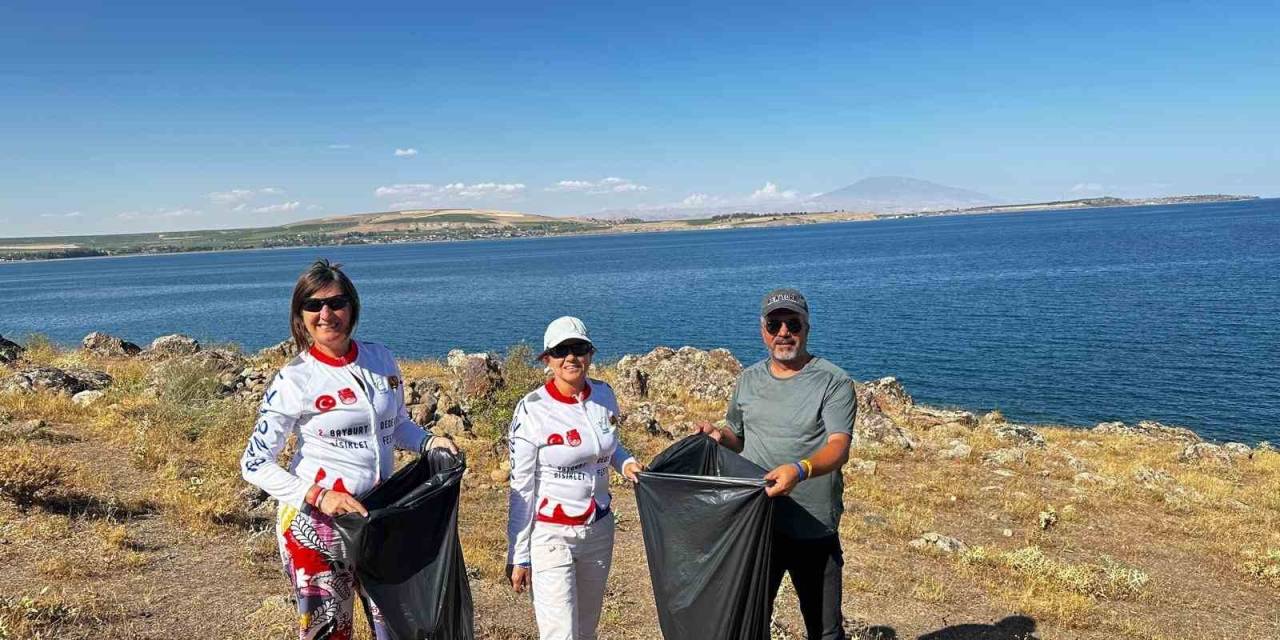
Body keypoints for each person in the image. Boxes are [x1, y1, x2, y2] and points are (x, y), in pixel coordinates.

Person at [240, 258, 458, 640]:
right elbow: (254, 462)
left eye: (337, 303)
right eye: (313, 305)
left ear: (352, 307)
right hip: (317, 527)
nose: (326, 314)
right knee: (331, 634)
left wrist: (428, 441)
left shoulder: (380, 359)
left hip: (380, 519)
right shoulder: (294, 378)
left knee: (398, 626)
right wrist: (318, 496)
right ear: (300, 315)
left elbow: (396, 425)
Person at [696, 288, 856, 640]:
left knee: (825, 630)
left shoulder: (833, 381)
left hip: (813, 525)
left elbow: (839, 447)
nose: (784, 332)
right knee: (749, 620)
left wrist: (799, 470)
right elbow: (737, 436)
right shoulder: (748, 379)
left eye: (792, 323)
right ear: (762, 329)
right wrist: (720, 437)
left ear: (807, 327)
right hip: (756, 522)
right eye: (775, 323)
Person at [505, 316, 645, 640]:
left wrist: (627, 463)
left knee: (585, 629)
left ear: (590, 354)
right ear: (547, 359)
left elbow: (609, 446)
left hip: (599, 529)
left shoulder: (605, 396)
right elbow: (521, 488)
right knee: (560, 635)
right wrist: (519, 554)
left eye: (578, 348)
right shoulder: (531, 410)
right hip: (551, 535)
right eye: (561, 350)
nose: (571, 357)